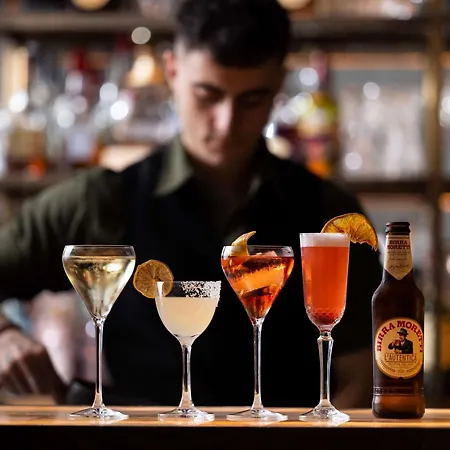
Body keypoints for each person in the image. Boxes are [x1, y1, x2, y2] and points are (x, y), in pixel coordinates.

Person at [0, 0, 381, 408]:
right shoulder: (102, 199)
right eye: (208, 94)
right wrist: (4, 336)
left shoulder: (330, 216)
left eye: (252, 99)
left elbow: (360, 378)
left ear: (279, 84)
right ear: (172, 71)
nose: (226, 123)